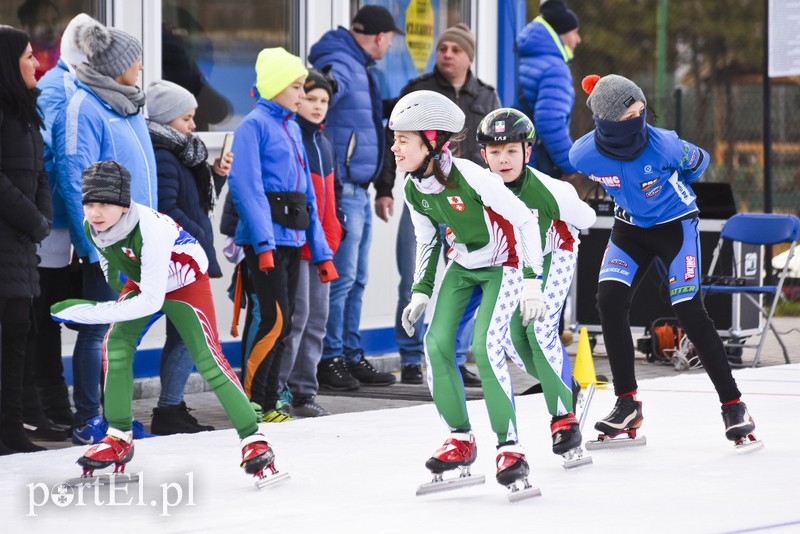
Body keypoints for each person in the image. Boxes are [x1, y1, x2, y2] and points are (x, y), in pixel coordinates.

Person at [50, 161, 276, 481]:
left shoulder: (150, 229)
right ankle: (118, 436)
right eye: (89, 203)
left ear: (124, 204)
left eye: (104, 203)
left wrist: (90, 311)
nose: (95, 212)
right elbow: (112, 267)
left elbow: (153, 300)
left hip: (185, 281)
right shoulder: (93, 226)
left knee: (207, 356)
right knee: (114, 343)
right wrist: (115, 289)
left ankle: (254, 439)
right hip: (144, 280)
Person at [569, 73, 758, 446]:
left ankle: (734, 405)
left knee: (688, 308)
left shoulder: (665, 145)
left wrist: (672, 186)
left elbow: (698, 163)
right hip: (628, 230)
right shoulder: (582, 154)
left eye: (643, 112)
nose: (640, 121)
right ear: (606, 122)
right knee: (608, 300)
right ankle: (627, 403)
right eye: (630, 116)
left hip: (675, 225)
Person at [389, 90, 546, 490]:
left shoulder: (473, 176)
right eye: (395, 139)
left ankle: (510, 447)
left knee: (485, 347)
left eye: (403, 139)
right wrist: (420, 291)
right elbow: (427, 241)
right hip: (464, 268)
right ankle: (460, 439)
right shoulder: (413, 188)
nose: (394, 147)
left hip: (503, 267)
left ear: (431, 141)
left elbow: (525, 222)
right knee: (436, 345)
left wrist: (532, 281)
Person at [375, 23, 499, 387]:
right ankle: (412, 358)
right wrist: (386, 188)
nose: (446, 54)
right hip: (425, 198)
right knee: (414, 275)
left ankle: (456, 359)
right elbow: (392, 144)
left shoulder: (487, 96)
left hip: (467, 205)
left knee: (468, 280)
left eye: (455, 49)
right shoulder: (417, 91)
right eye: (442, 48)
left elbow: (494, 147)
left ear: (469, 57)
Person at [52, 18, 158, 444]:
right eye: (136, 60)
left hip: (140, 240)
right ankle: (89, 419)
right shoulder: (85, 106)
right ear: (116, 64)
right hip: (108, 242)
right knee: (100, 330)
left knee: (124, 332)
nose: (142, 67)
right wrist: (93, 240)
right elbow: (72, 174)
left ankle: (116, 418)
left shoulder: (129, 104)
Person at [476, 107, 596, 457]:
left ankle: (563, 420)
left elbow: (586, 218)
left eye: (512, 150)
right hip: (516, 262)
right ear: (483, 155)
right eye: (495, 152)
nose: (503, 160)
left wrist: (567, 208)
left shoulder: (550, 190)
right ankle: (563, 385)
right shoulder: (480, 189)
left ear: (528, 152)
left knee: (539, 329)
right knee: (513, 338)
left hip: (554, 252)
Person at [227, 47, 338, 423]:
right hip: (267, 242)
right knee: (271, 320)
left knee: (286, 323)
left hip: (292, 239)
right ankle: (252, 400)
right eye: (295, 87)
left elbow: (307, 194)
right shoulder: (253, 127)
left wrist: (321, 253)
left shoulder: (290, 126)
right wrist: (262, 243)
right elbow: (247, 187)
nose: (301, 95)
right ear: (274, 87)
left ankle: (272, 400)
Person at [309, 5, 403, 390]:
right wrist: (320, 94)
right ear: (381, 38)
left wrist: (381, 187)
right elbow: (327, 87)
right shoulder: (342, 62)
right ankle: (329, 359)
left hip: (358, 188)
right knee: (343, 278)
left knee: (358, 278)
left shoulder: (355, 61)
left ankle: (348, 352)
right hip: (342, 188)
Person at [147, 79, 230, 434]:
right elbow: (167, 208)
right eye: (186, 119)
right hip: (177, 258)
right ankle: (168, 409)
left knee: (180, 336)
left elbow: (195, 203)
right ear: (166, 121)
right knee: (185, 334)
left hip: (182, 256)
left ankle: (172, 407)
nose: (193, 126)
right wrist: (197, 240)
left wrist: (216, 177)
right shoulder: (165, 156)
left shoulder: (182, 153)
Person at [28, 13, 95, 436]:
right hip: (52, 224)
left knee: (48, 315)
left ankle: (53, 402)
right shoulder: (58, 87)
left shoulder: (76, 86)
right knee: (42, 317)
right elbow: (58, 161)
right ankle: (47, 402)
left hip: (62, 222)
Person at [276, 68, 344, 418]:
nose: (318, 106)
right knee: (295, 319)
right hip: (297, 242)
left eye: (325, 101)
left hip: (323, 245)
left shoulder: (325, 143)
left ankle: (305, 391)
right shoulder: (291, 137)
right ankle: (279, 389)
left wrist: (338, 226)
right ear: (298, 99)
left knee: (318, 319)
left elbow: (334, 193)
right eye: (312, 98)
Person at [0, 25, 53, 454]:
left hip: (20, 245)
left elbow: (41, 175)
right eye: (29, 56)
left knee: (19, 332)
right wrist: (33, 218)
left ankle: (11, 431)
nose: (37, 63)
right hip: (10, 237)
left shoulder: (24, 112)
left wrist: (43, 218)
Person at [516, 0, 581, 182]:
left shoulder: (524, 58)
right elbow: (549, 123)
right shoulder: (555, 69)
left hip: (517, 158)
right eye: (574, 33)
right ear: (560, 35)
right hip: (538, 166)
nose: (578, 40)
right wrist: (569, 164)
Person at [17, 0, 60, 80]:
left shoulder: (66, 59)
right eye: (43, 22)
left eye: (54, 21)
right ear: (27, 28)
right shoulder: (17, 69)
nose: (50, 28)